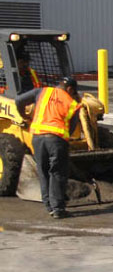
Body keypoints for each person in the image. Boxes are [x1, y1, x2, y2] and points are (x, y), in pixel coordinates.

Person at [15, 76, 82, 219]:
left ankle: (49, 206)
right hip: (56, 140)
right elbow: (71, 128)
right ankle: (58, 209)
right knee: (57, 173)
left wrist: (25, 116)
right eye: (74, 92)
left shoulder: (41, 92)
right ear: (70, 89)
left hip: (37, 138)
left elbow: (18, 100)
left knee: (43, 171)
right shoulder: (72, 103)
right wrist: (64, 139)